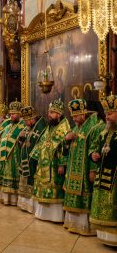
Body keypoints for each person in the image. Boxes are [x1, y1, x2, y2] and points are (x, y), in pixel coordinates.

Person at [63, 99, 104, 235]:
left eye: (76, 116)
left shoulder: (95, 126)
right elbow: (68, 148)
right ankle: (72, 224)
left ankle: (85, 227)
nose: (74, 118)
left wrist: (93, 170)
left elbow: (95, 149)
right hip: (72, 170)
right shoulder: (76, 127)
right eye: (72, 116)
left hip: (85, 172)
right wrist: (67, 141)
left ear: (84, 113)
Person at [30, 99, 70, 222]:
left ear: (59, 114)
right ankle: (43, 214)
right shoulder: (50, 126)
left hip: (55, 165)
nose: (49, 114)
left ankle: (55, 216)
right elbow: (43, 142)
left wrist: (62, 164)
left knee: (54, 188)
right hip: (44, 163)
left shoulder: (64, 127)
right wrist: (35, 156)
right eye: (49, 112)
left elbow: (64, 147)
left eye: (52, 112)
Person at [89, 93, 117, 246]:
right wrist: (93, 154)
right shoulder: (104, 132)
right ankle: (106, 237)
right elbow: (94, 148)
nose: (107, 116)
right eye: (106, 113)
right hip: (103, 176)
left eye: (110, 113)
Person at [17, 106, 47, 213]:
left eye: (28, 120)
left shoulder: (41, 128)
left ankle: (31, 206)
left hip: (33, 161)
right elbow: (21, 144)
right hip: (25, 160)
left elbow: (39, 143)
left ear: (34, 118)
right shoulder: (27, 128)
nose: (26, 123)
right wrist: (20, 138)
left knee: (31, 181)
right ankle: (24, 204)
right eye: (25, 121)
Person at [0, 100, 25, 205]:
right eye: (11, 114)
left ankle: (13, 199)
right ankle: (6, 198)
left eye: (14, 114)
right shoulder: (8, 126)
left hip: (15, 156)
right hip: (5, 157)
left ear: (20, 114)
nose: (11, 116)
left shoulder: (23, 125)